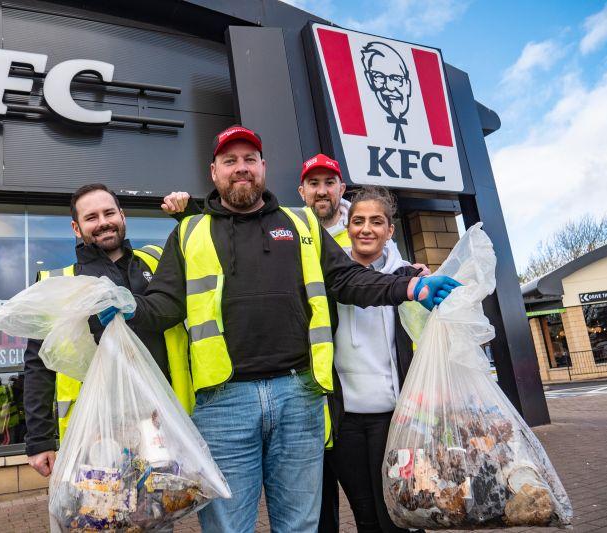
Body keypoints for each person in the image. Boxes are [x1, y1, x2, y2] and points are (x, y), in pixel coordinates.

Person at [101, 125, 459, 532]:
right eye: (230, 160)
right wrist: (127, 309)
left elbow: (347, 279)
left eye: (249, 159)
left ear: (263, 168)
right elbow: (164, 306)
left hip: (299, 396)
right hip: (223, 404)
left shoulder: (302, 224)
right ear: (214, 171)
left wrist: (409, 285)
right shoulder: (188, 232)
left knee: (300, 526)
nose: (241, 168)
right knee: (228, 527)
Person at [22, 184, 192, 480]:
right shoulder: (60, 283)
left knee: (159, 516)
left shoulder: (155, 263)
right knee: (102, 517)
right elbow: (38, 365)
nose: (103, 222)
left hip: (160, 424)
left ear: (122, 216)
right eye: (91, 217)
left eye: (109, 212)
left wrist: (189, 215)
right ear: (77, 228)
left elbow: (206, 253)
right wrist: (39, 440)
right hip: (96, 432)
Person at [325, 186, 424, 533]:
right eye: (358, 221)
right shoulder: (329, 278)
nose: (366, 229)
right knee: (365, 516)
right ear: (347, 227)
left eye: (376, 221)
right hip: (345, 420)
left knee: (400, 513)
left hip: (393, 417)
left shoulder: (410, 279)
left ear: (390, 230)